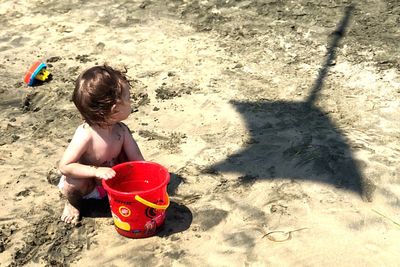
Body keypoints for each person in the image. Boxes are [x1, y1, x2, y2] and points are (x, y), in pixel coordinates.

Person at [58, 65, 144, 224]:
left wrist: (148, 179)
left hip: (113, 185)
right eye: (128, 98)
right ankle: (73, 204)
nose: (132, 102)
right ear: (115, 109)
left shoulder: (121, 131)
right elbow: (65, 166)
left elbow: (137, 160)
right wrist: (96, 171)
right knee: (71, 184)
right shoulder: (86, 133)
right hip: (89, 187)